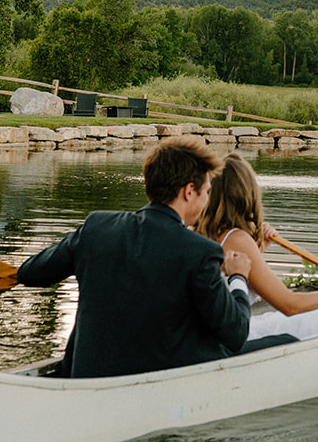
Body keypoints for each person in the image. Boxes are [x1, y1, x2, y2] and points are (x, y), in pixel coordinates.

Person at [15, 135, 253, 378]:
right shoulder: (200, 251)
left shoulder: (95, 228)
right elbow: (236, 333)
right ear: (189, 191)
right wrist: (238, 278)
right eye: (207, 192)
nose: (206, 201)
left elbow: (29, 273)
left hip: (85, 375)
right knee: (282, 340)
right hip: (153, 385)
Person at [194, 152, 318, 348]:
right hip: (227, 337)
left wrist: (260, 249)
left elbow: (230, 279)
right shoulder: (237, 238)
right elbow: (290, 305)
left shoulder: (199, 231)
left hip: (211, 331)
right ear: (247, 194)